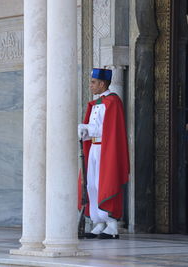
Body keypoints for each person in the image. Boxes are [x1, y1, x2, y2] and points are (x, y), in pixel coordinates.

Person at [77, 68, 129, 239]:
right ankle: (98, 222)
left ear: (102, 83)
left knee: (104, 184)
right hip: (94, 148)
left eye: (93, 82)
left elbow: (107, 129)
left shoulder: (113, 102)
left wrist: (87, 128)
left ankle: (112, 225)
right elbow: (94, 129)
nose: (90, 86)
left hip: (106, 150)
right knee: (91, 184)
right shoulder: (97, 103)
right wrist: (85, 132)